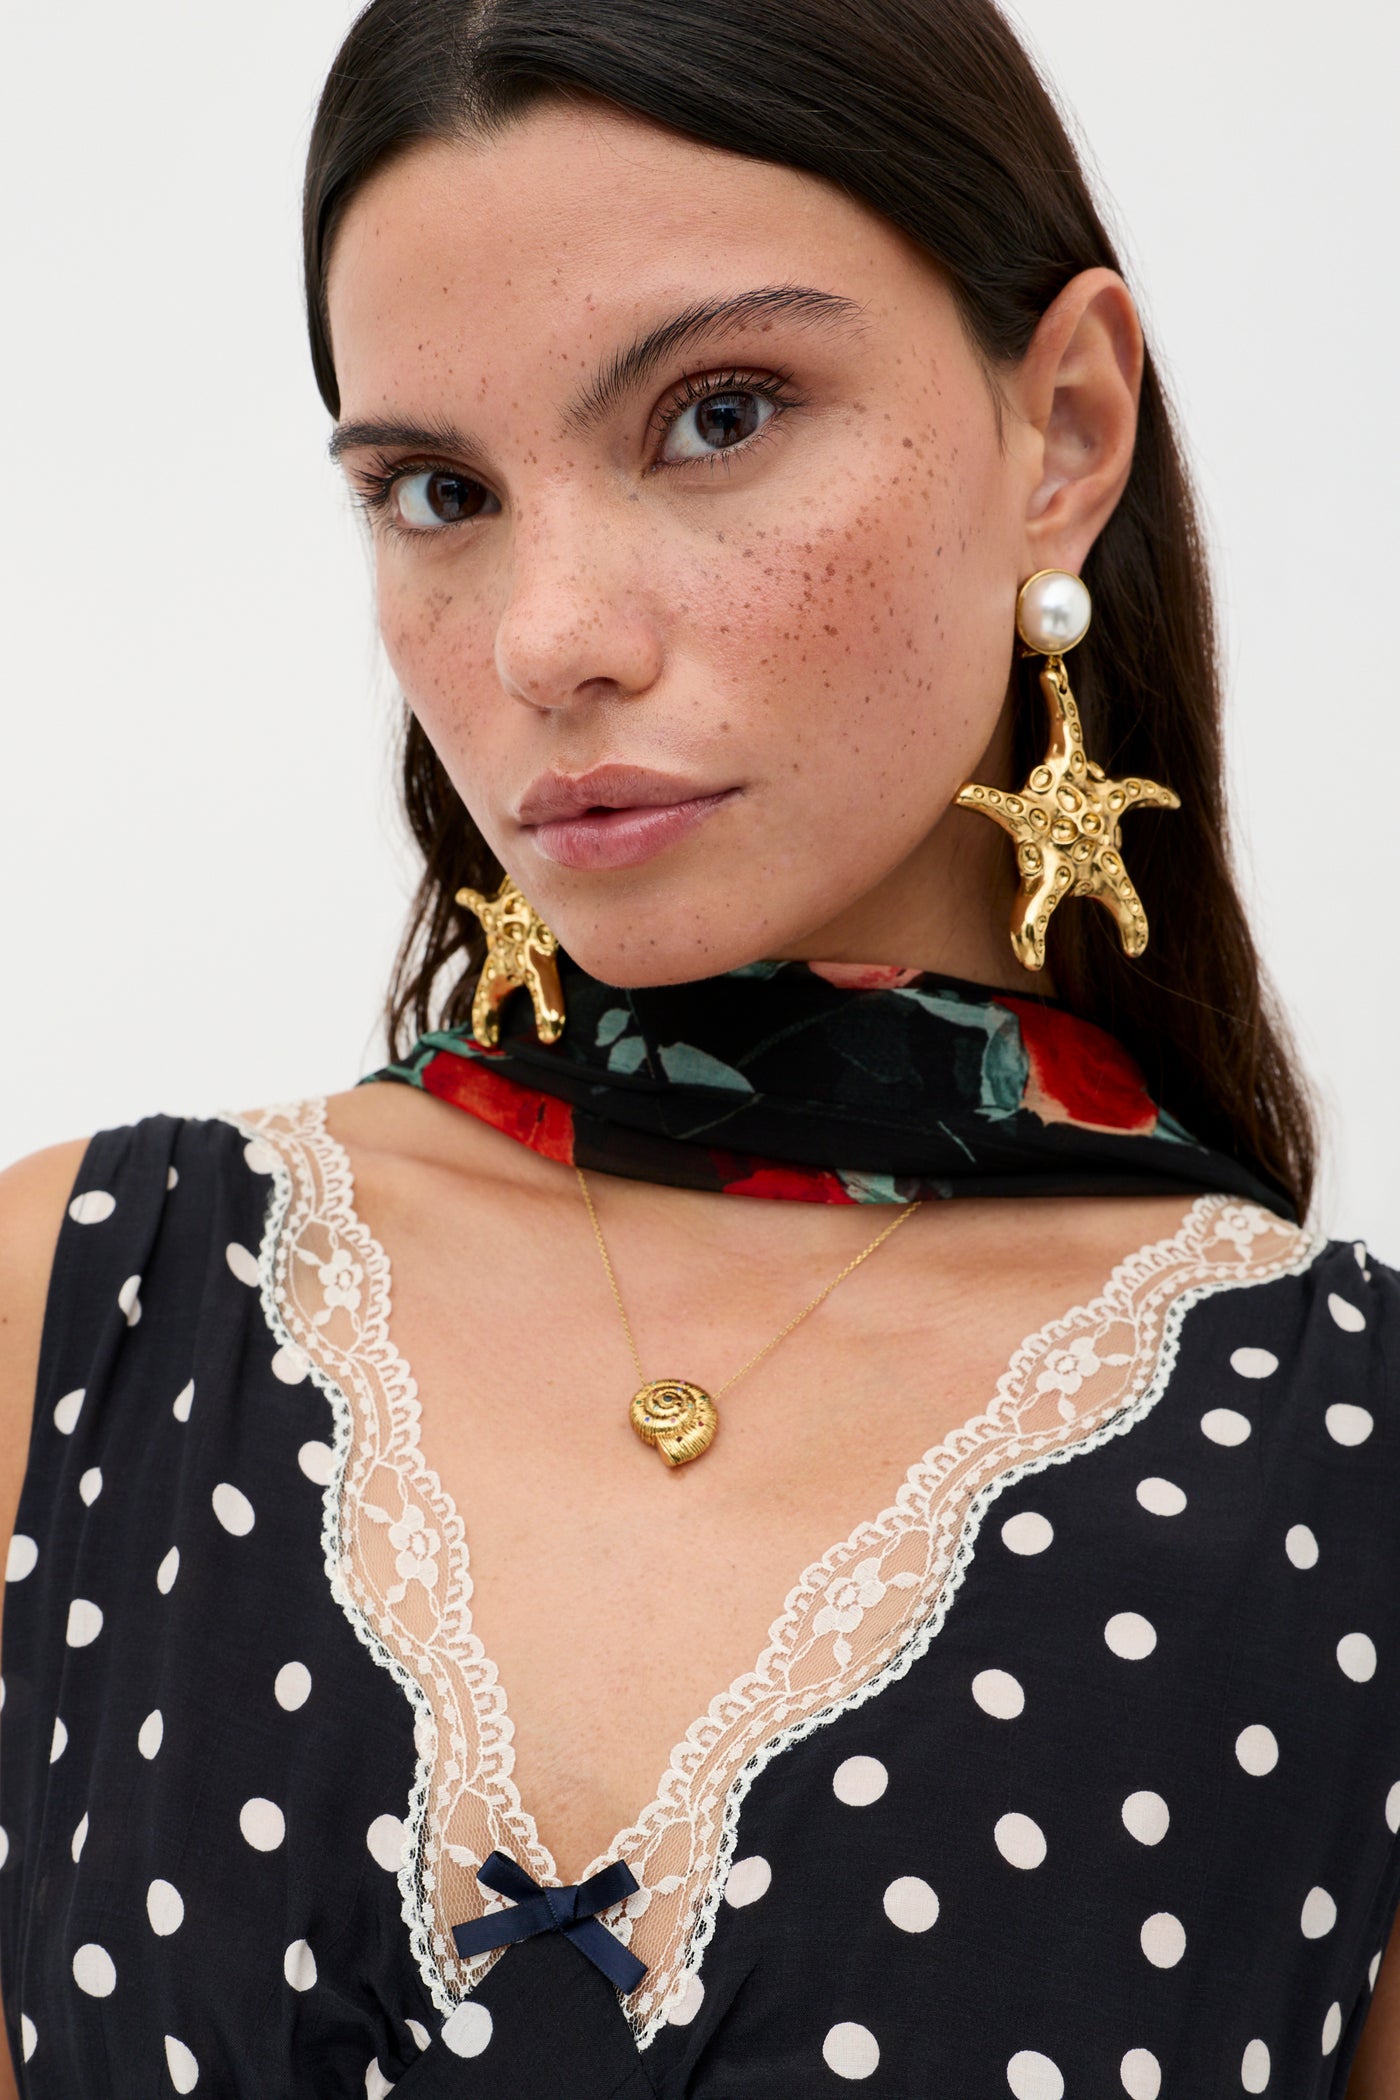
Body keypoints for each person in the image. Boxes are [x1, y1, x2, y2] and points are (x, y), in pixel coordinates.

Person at [0, 0, 1395, 2093]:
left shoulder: (1345, 1484)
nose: (551, 638)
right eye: (437, 488)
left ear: (1067, 429)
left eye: (720, 412)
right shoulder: (84, 1325)